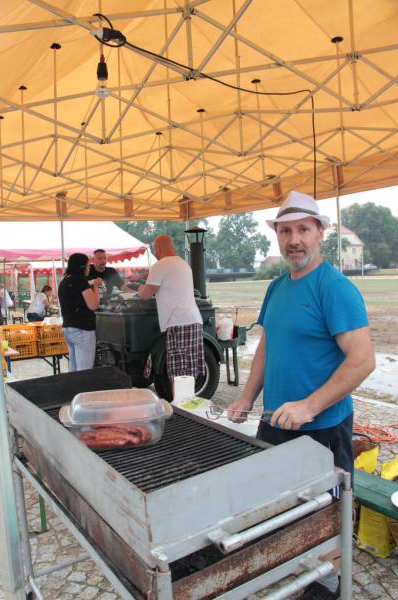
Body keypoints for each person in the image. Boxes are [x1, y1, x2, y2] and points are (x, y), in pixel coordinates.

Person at [227, 190, 375, 600]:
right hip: (274, 422)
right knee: (279, 509)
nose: (294, 239)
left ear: (320, 232)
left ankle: (327, 587)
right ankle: (294, 567)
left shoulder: (335, 288)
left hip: (322, 430)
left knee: (324, 517)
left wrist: (310, 405)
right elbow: (268, 345)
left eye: (303, 230)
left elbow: (362, 361)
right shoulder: (277, 287)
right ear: (277, 234)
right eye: (286, 230)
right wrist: (246, 399)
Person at [137, 234, 204, 390]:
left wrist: (139, 287)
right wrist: (141, 276)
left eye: (154, 249)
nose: (155, 253)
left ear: (158, 248)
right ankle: (187, 405)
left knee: (179, 373)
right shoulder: (182, 263)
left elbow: (145, 295)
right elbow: (164, 275)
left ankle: (183, 408)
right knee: (189, 370)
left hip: (179, 323)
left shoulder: (160, 266)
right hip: (192, 321)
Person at [58, 253, 101, 372]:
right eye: (87, 265)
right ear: (82, 267)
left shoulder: (64, 281)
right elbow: (93, 305)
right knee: (84, 371)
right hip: (83, 330)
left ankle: (74, 390)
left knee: (74, 369)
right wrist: (96, 287)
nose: (89, 268)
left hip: (68, 329)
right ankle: (83, 390)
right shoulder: (80, 281)